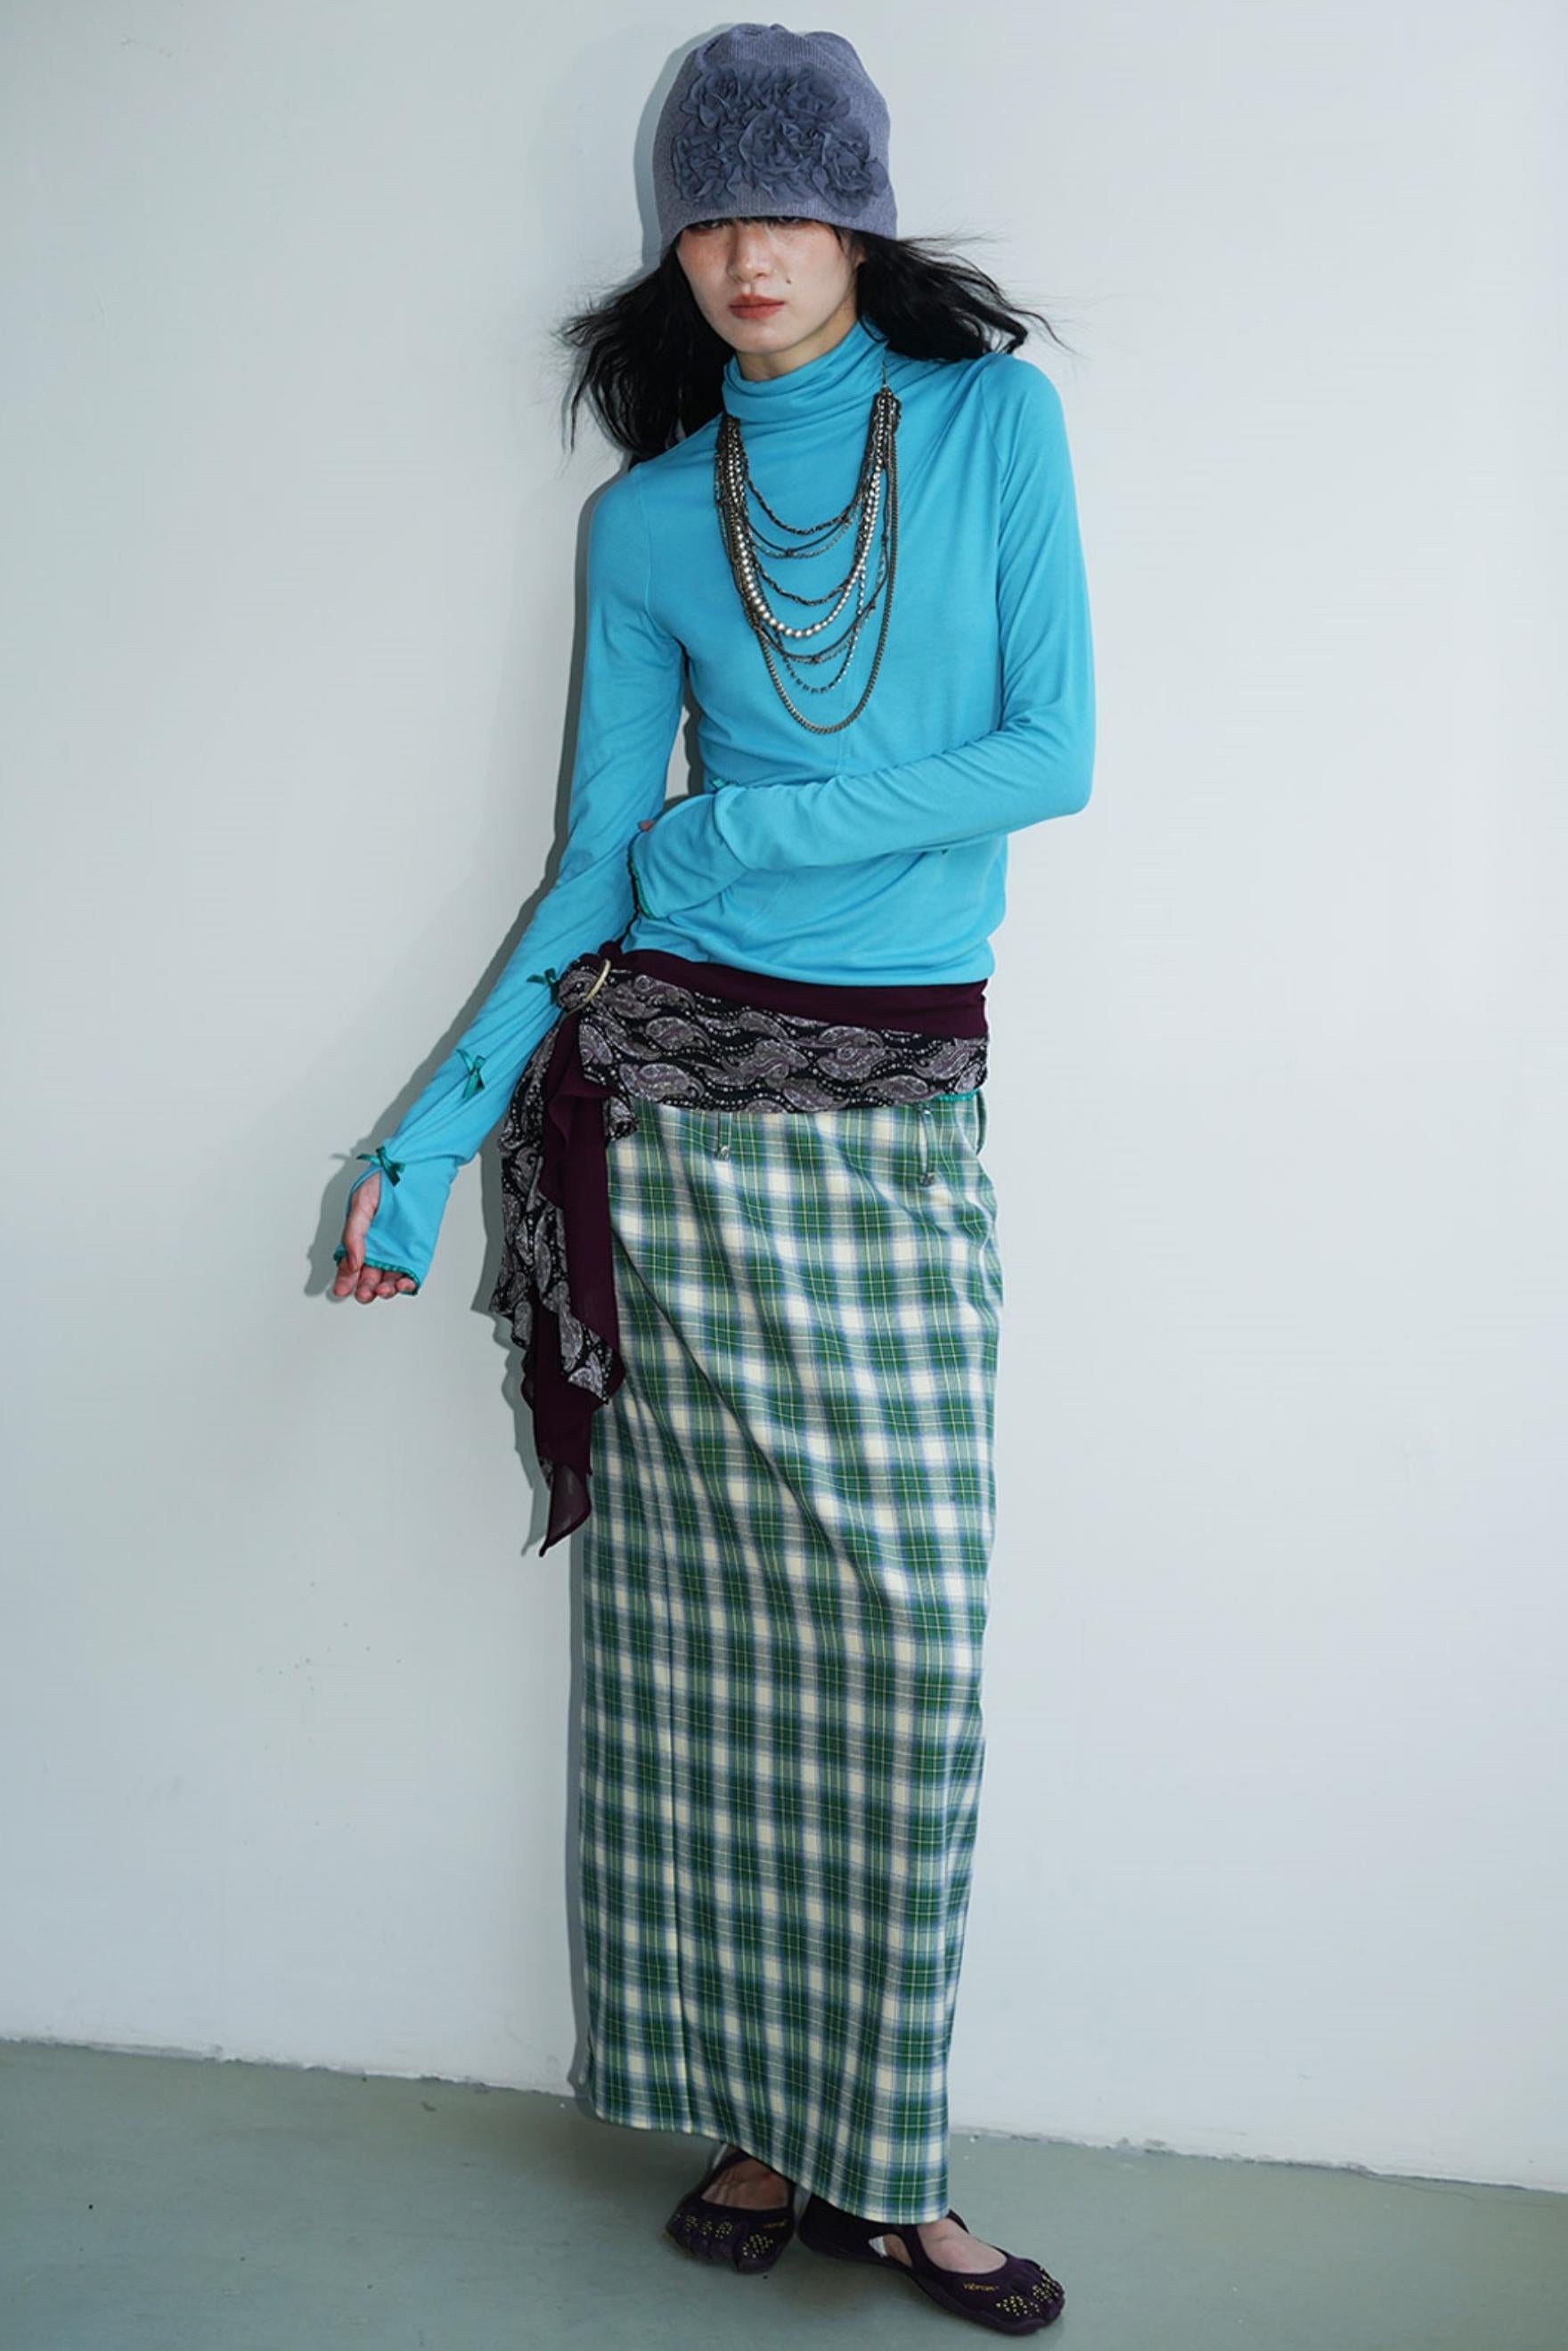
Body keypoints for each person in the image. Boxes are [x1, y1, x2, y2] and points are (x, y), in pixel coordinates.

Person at [330, 23, 1092, 2335]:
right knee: (709, 1667)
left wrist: (734, 832)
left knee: (909, 1649)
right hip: (674, 1129)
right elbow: (594, 869)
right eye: (712, 214)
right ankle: (764, 2125)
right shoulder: (651, 517)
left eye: (793, 206)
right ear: (671, 242)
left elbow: (1046, 756)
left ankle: (897, 2161)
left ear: (860, 220)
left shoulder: (991, 427)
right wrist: (426, 1137)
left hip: (894, 1107)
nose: (753, 252)